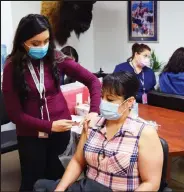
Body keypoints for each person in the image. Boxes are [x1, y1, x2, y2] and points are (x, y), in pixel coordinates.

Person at [2, 14, 101, 191]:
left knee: (57, 180)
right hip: (31, 135)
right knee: (32, 182)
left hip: (61, 131)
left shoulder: (56, 57)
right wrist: (49, 126)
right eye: (35, 43)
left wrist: (94, 111)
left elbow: (93, 81)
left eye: (46, 41)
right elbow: (14, 114)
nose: (42, 47)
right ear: (22, 42)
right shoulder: (11, 66)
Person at [34, 72, 163, 192]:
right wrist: (60, 189)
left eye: (111, 100)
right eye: (102, 97)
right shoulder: (92, 124)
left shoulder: (144, 133)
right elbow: (78, 161)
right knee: (40, 186)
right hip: (88, 187)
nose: (104, 103)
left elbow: (151, 183)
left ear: (129, 102)